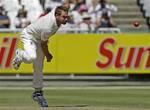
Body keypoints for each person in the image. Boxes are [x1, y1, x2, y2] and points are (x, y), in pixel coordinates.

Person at [12, 4, 70, 107]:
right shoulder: (49, 26)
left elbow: (64, 6)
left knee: (38, 67)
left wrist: (68, 5)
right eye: (64, 17)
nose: (66, 19)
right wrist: (48, 56)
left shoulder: (57, 11)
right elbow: (44, 44)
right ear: (56, 16)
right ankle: (19, 54)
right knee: (31, 57)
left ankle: (37, 92)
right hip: (29, 36)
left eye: (67, 17)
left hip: (38, 39)